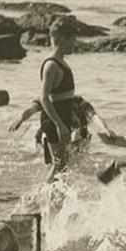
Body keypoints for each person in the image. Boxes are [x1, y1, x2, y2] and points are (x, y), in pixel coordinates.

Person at [36, 16, 79, 180]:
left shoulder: (62, 62)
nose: (74, 44)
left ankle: (54, 199)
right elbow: (44, 98)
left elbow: (63, 96)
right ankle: (38, 200)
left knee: (64, 164)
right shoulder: (51, 65)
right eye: (72, 40)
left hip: (63, 116)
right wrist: (60, 125)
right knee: (59, 164)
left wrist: (72, 115)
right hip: (53, 119)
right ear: (62, 39)